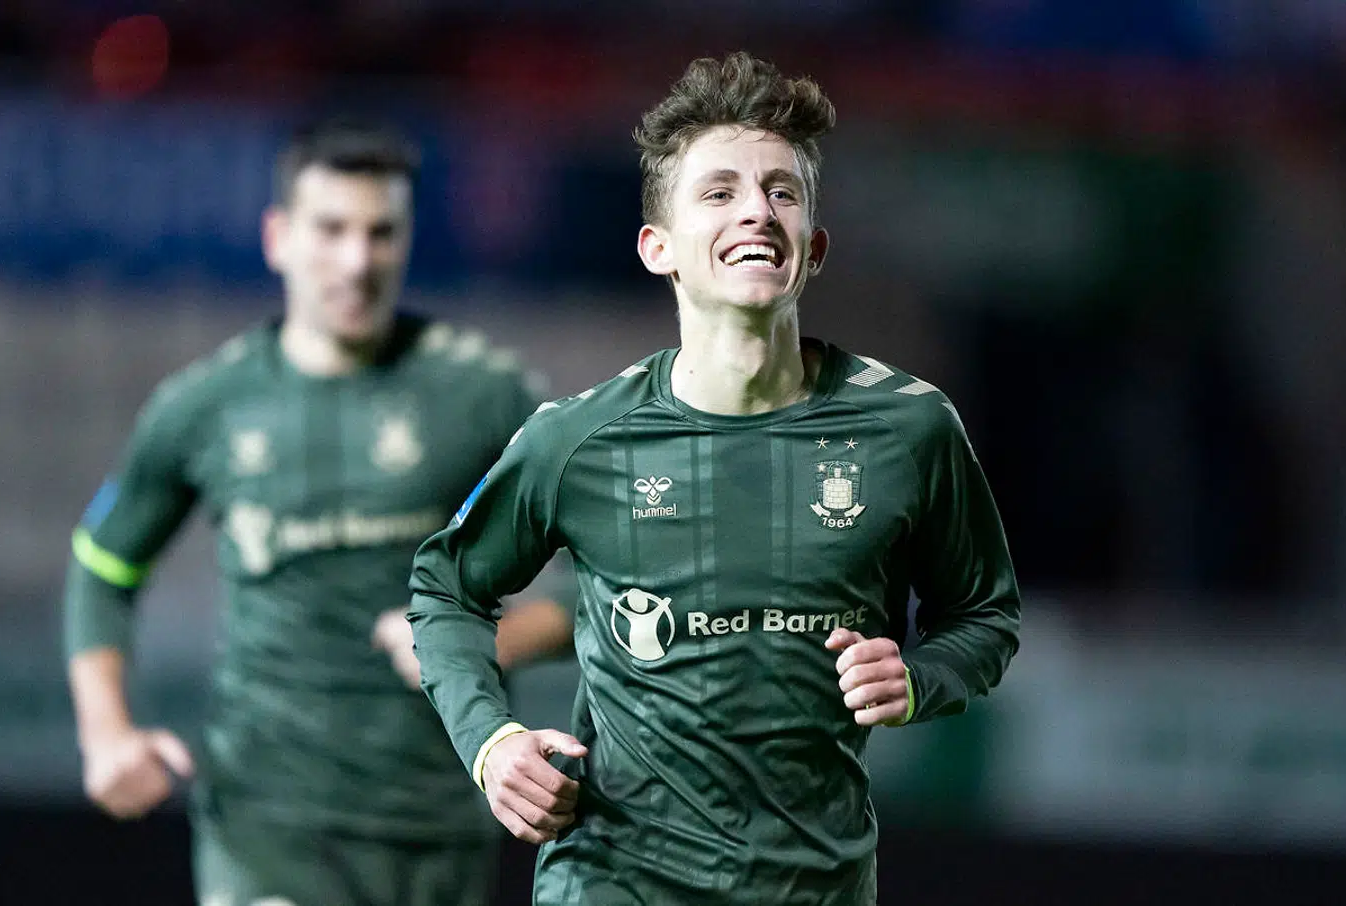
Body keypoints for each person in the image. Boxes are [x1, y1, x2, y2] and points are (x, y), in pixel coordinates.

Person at [406, 52, 1021, 905]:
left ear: (814, 248)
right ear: (658, 247)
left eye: (783, 192)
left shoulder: (910, 428)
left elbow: (983, 615)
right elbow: (445, 589)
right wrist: (491, 740)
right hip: (614, 881)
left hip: (817, 887)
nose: (757, 212)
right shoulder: (578, 439)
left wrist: (919, 679)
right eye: (720, 192)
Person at [61, 118, 574, 906]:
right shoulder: (206, 405)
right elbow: (103, 567)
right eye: (331, 229)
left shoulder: (481, 395)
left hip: (435, 818)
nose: (357, 260)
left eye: (382, 232)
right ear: (277, 238)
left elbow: (620, 573)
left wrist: (496, 639)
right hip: (266, 818)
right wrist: (104, 734)